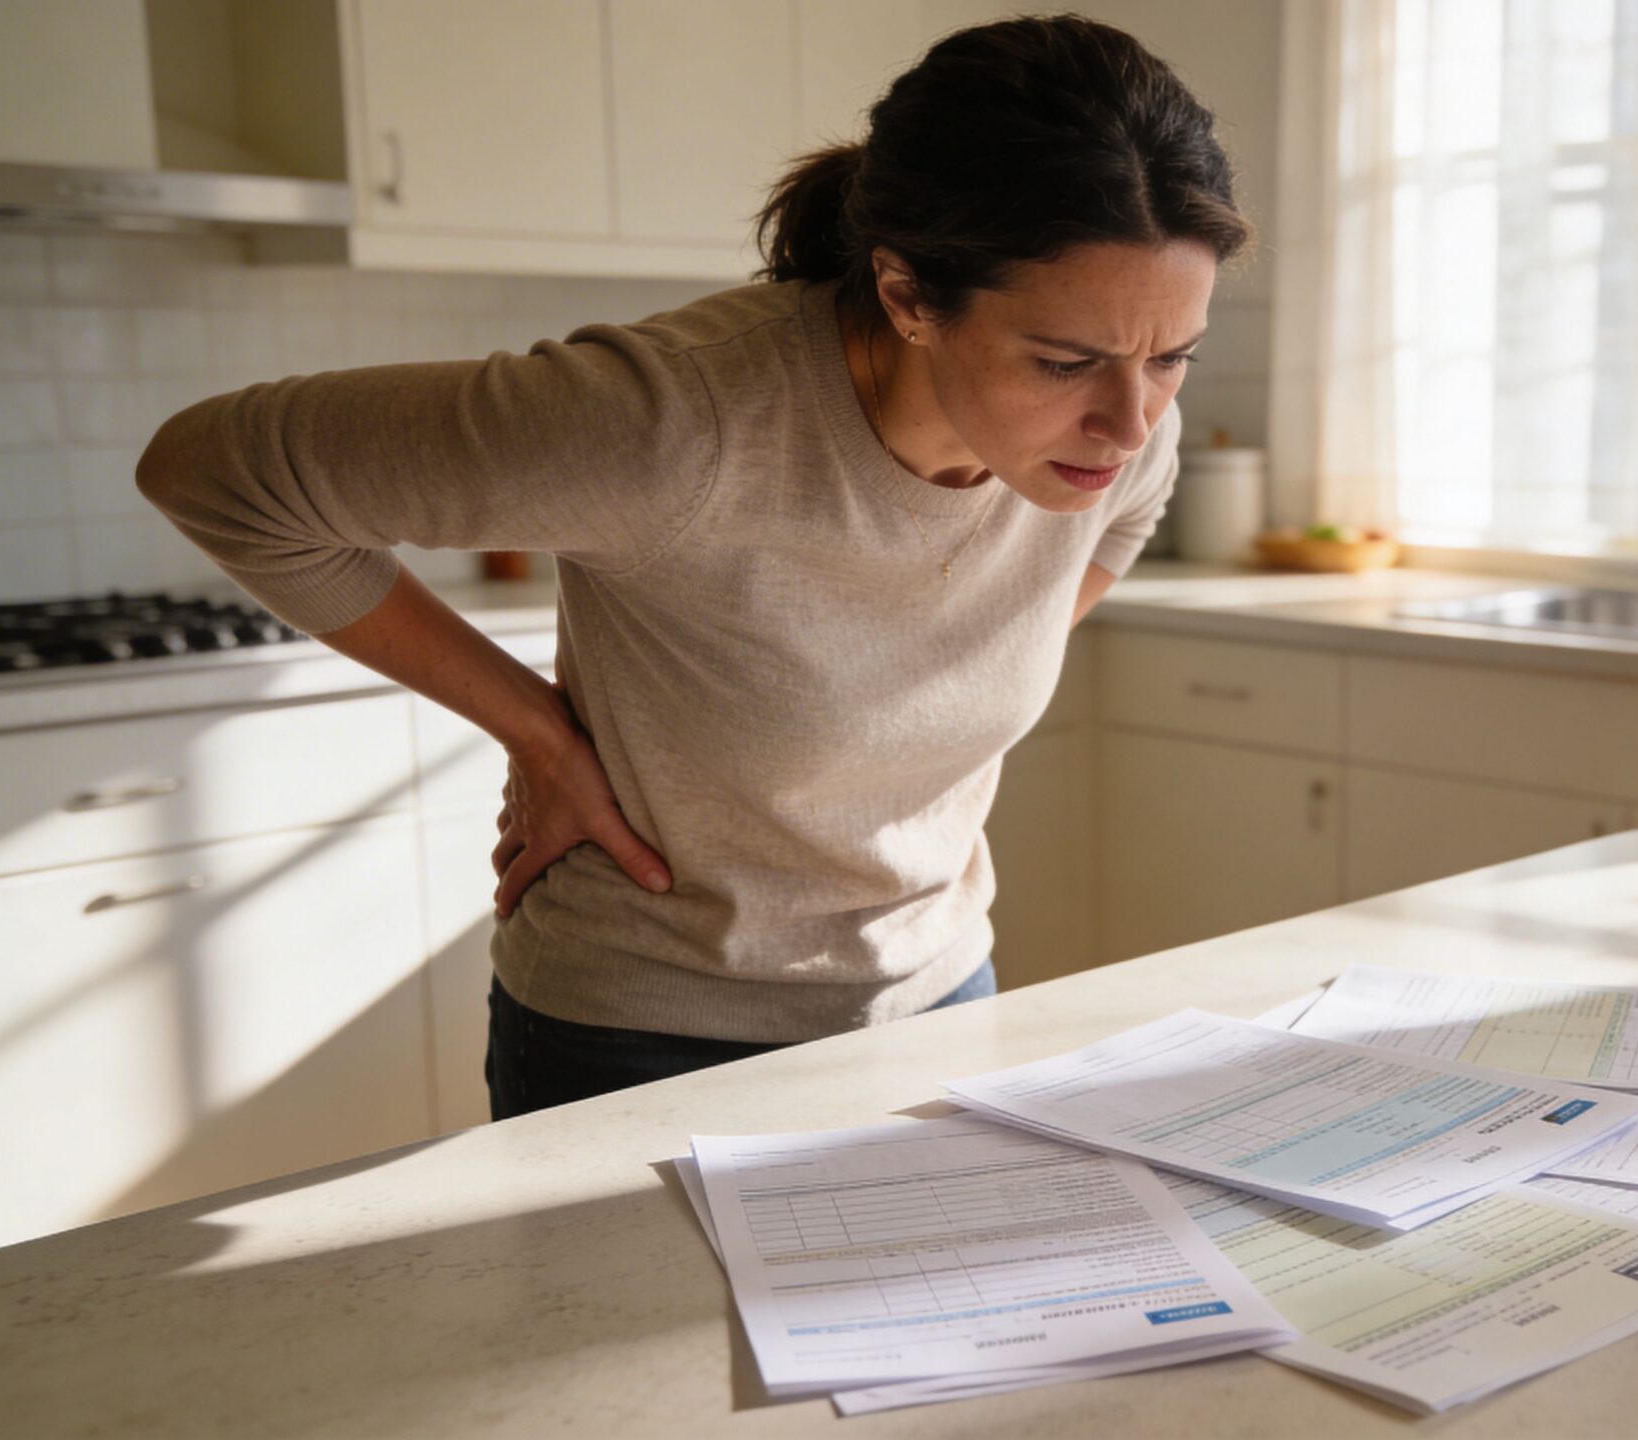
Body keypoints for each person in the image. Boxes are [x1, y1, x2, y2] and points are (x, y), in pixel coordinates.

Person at [135, 15, 1253, 1118]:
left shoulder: (1118, 431)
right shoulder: (675, 425)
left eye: (1174, 357)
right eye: (1066, 362)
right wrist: (542, 734)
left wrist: (930, 675)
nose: (1130, 418)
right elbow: (215, 472)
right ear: (909, 295)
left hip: (942, 998)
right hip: (646, 1042)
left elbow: (1122, 516)